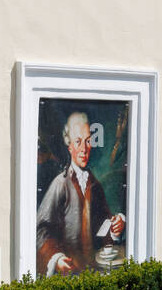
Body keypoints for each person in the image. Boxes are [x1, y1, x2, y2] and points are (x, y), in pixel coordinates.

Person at [36, 111, 125, 276]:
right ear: (69, 146)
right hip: (69, 276)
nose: (84, 149)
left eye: (88, 141)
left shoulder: (94, 185)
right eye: (78, 142)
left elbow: (101, 230)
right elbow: (41, 230)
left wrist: (114, 228)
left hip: (93, 273)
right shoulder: (60, 184)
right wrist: (57, 258)